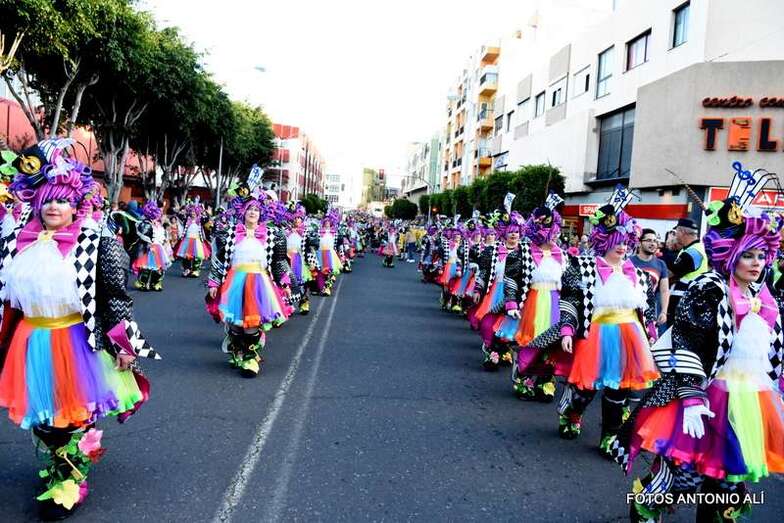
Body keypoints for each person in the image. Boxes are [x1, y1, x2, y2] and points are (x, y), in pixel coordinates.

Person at [0, 139, 159, 519]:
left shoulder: (94, 241)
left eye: (63, 200)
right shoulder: (15, 242)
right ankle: (58, 467)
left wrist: (123, 343)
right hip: (31, 339)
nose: (55, 207)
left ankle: (72, 479)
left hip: (75, 340)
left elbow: (114, 297)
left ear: (76, 204)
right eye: (48, 200)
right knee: (42, 418)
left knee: (71, 417)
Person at [613, 174, 784, 523]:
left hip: (750, 399)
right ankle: (645, 504)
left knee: (728, 478)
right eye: (748, 255)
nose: (756, 263)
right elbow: (684, 339)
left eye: (761, 256)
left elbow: (773, 348)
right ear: (731, 255)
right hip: (705, 395)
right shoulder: (709, 287)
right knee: (683, 474)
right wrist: (691, 397)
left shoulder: (763, 295)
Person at [557, 186, 658, 454]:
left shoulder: (637, 273)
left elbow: (644, 308)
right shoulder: (582, 267)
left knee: (619, 390)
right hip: (596, 335)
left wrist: (650, 333)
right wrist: (567, 329)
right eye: (617, 240)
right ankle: (571, 413)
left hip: (629, 336)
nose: (623, 246)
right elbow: (571, 299)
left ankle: (610, 436)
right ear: (603, 240)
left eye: (626, 241)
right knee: (585, 389)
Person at [207, 186, 292, 377]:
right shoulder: (229, 234)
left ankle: (250, 357)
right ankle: (237, 351)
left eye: (256, 210)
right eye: (249, 209)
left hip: (259, 282)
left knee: (252, 323)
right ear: (243, 212)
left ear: (261, 213)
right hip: (235, 281)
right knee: (236, 324)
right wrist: (213, 283)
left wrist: (284, 283)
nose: (253, 212)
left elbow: (278, 262)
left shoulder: (273, 235)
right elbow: (219, 260)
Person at [494, 194, 568, 402]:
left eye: (556, 231)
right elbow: (512, 278)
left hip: (555, 302)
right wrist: (511, 303)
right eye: (551, 231)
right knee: (530, 343)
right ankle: (523, 376)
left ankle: (545, 380)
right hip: (532, 301)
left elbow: (571, 284)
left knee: (552, 344)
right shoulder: (522, 251)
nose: (555, 235)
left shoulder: (563, 255)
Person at [667, 218, 708, 323]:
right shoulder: (692, 249)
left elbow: (671, 274)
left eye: (676, 233)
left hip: (685, 304)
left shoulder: (692, 252)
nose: (675, 236)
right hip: (689, 302)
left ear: (682, 232)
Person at [631, 228, 670, 330]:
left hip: (650, 312)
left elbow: (664, 290)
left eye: (655, 241)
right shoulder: (628, 262)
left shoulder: (661, 264)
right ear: (639, 243)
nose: (652, 244)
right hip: (629, 311)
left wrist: (664, 312)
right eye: (648, 240)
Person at [131, 200, 171, 291]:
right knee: (146, 268)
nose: (157, 216)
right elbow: (143, 236)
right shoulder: (145, 223)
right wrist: (149, 244)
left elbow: (162, 235)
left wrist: (165, 241)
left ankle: (155, 284)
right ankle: (143, 283)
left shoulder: (158, 224)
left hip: (158, 248)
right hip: (147, 248)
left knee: (158, 268)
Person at [174, 198, 211, 278]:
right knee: (186, 256)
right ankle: (187, 269)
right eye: (192, 212)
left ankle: (195, 270)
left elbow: (207, 219)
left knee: (197, 256)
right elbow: (179, 216)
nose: (193, 213)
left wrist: (205, 211)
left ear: (197, 212)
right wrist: (178, 210)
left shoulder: (200, 219)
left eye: (194, 212)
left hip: (197, 240)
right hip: (187, 239)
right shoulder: (187, 219)